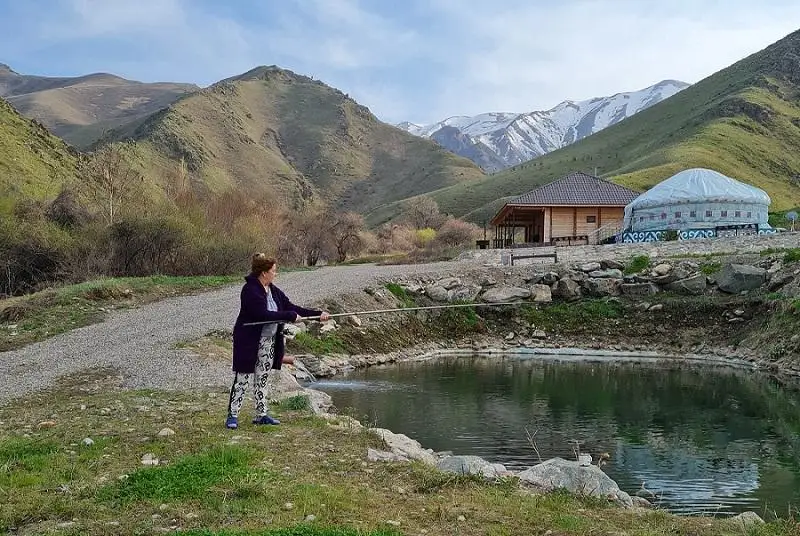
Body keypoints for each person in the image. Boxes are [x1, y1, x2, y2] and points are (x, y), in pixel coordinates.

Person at [226, 253, 330, 429]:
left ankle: (261, 414)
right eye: (274, 271)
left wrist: (317, 315)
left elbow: (293, 308)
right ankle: (232, 415)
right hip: (248, 340)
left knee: (263, 377)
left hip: (269, 341)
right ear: (264, 273)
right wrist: (289, 316)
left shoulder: (274, 291)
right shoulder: (250, 290)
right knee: (242, 377)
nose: (276, 274)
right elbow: (262, 314)